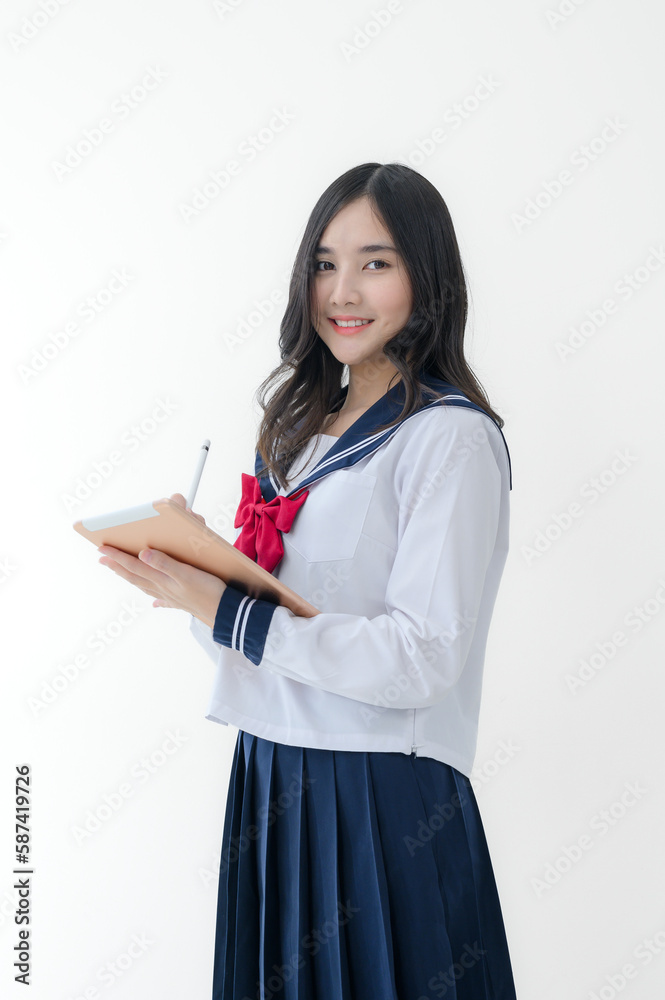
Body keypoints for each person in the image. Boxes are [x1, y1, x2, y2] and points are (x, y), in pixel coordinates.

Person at [98, 162, 519, 1000]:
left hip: (379, 792)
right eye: (324, 263)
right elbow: (270, 644)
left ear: (425, 277)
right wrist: (194, 578)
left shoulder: (450, 440)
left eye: (376, 261)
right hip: (270, 774)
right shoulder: (293, 434)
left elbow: (424, 656)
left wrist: (230, 611)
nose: (342, 290)